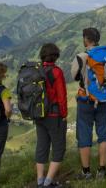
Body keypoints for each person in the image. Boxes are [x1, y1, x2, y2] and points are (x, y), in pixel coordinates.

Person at [71, 27, 106, 180]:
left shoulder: (82, 56)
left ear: (86, 39)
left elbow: (74, 75)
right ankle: (101, 170)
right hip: (104, 99)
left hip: (86, 100)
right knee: (103, 135)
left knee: (84, 136)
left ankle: (86, 172)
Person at [35, 43, 68, 188]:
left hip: (39, 115)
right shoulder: (56, 72)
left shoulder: (36, 70)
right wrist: (64, 114)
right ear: (55, 56)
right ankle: (48, 183)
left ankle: (40, 181)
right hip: (54, 115)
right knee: (59, 148)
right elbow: (61, 95)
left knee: (42, 146)